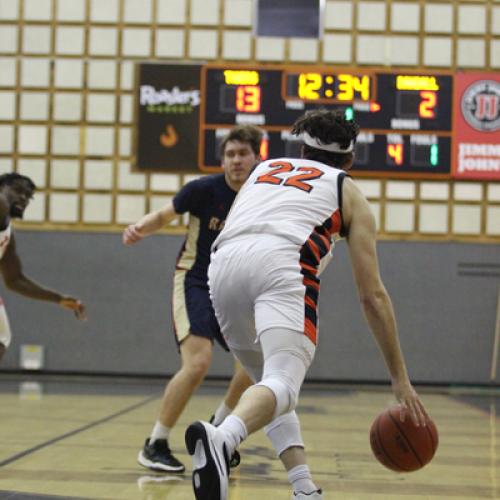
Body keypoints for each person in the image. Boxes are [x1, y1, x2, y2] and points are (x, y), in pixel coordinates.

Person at [185, 109, 431, 500]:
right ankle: (223, 437)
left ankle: (304, 488)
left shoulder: (263, 170)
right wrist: (399, 378)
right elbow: (373, 296)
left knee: (271, 387)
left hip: (222, 267)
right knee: (282, 383)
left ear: (301, 148)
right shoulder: (348, 191)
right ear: (349, 161)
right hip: (281, 265)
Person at [123, 125, 263, 473]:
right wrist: (139, 228)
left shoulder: (264, 193)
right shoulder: (203, 190)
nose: (236, 161)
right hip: (196, 281)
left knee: (254, 362)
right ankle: (155, 442)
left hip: (237, 285)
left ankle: (220, 426)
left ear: (257, 156)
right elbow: (164, 215)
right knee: (198, 363)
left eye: (242, 154)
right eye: (229, 154)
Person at [0, 173, 86, 363]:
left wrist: (58, 298)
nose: (23, 198)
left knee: (2, 336)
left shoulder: (7, 233)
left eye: (28, 196)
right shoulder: (2, 205)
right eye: (17, 190)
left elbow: (15, 280)